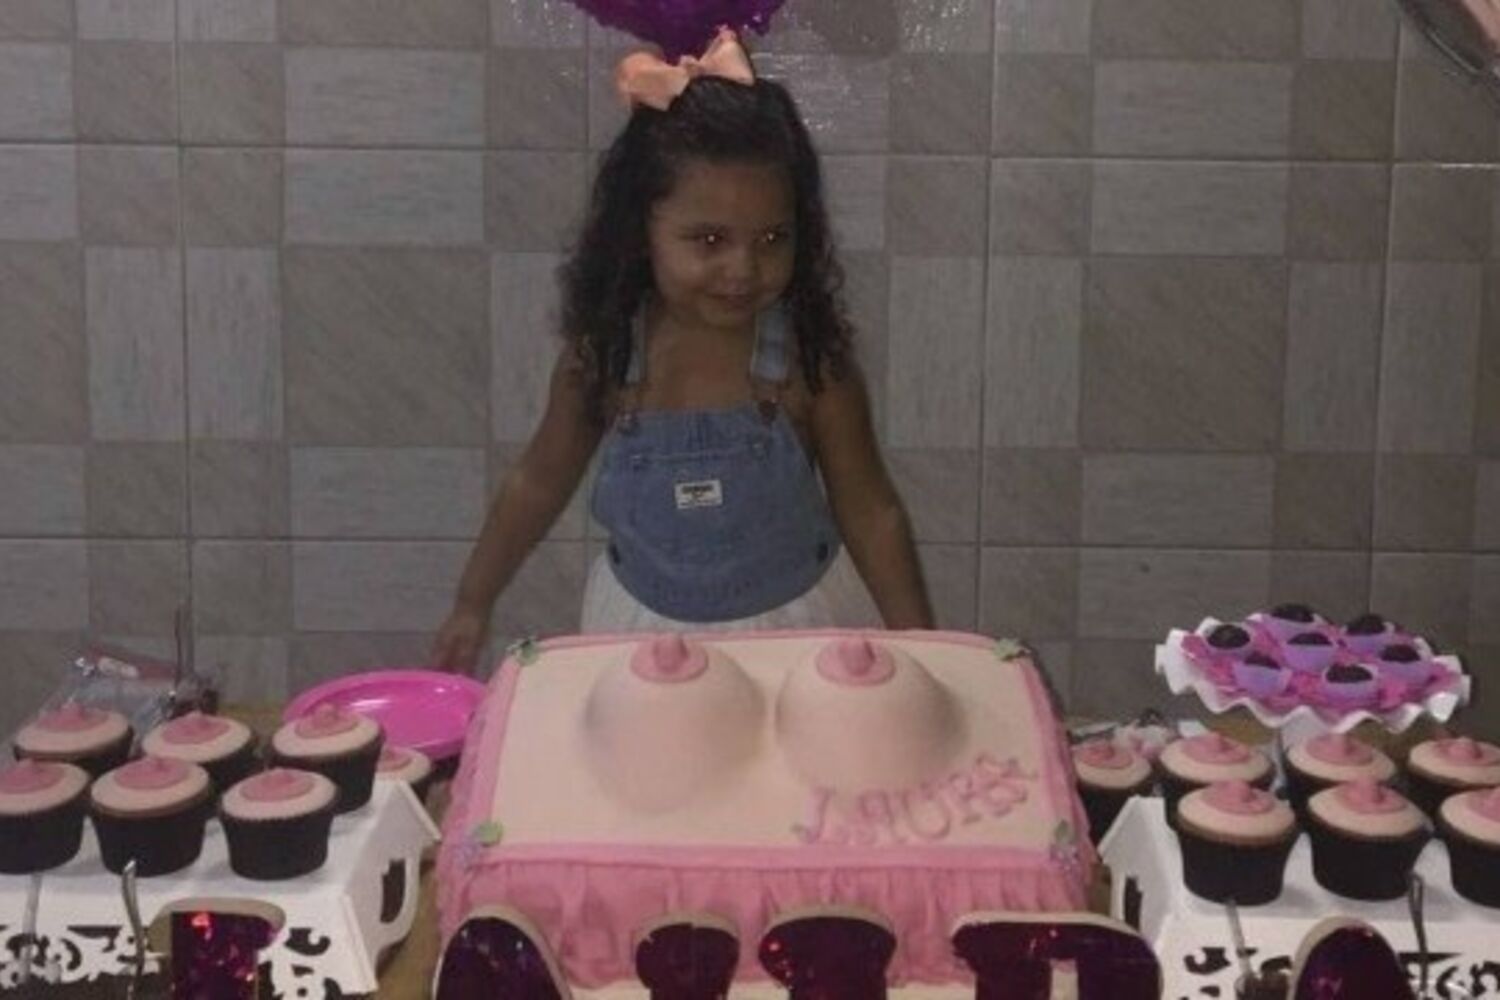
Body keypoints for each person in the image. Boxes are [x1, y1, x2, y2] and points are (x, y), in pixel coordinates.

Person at [431, 29, 931, 672]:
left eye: (772, 238)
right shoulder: (605, 357)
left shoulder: (811, 365)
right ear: (642, 231)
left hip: (799, 630)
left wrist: (927, 647)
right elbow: (536, 481)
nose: (743, 269)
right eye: (710, 240)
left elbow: (871, 512)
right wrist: (472, 601)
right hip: (641, 640)